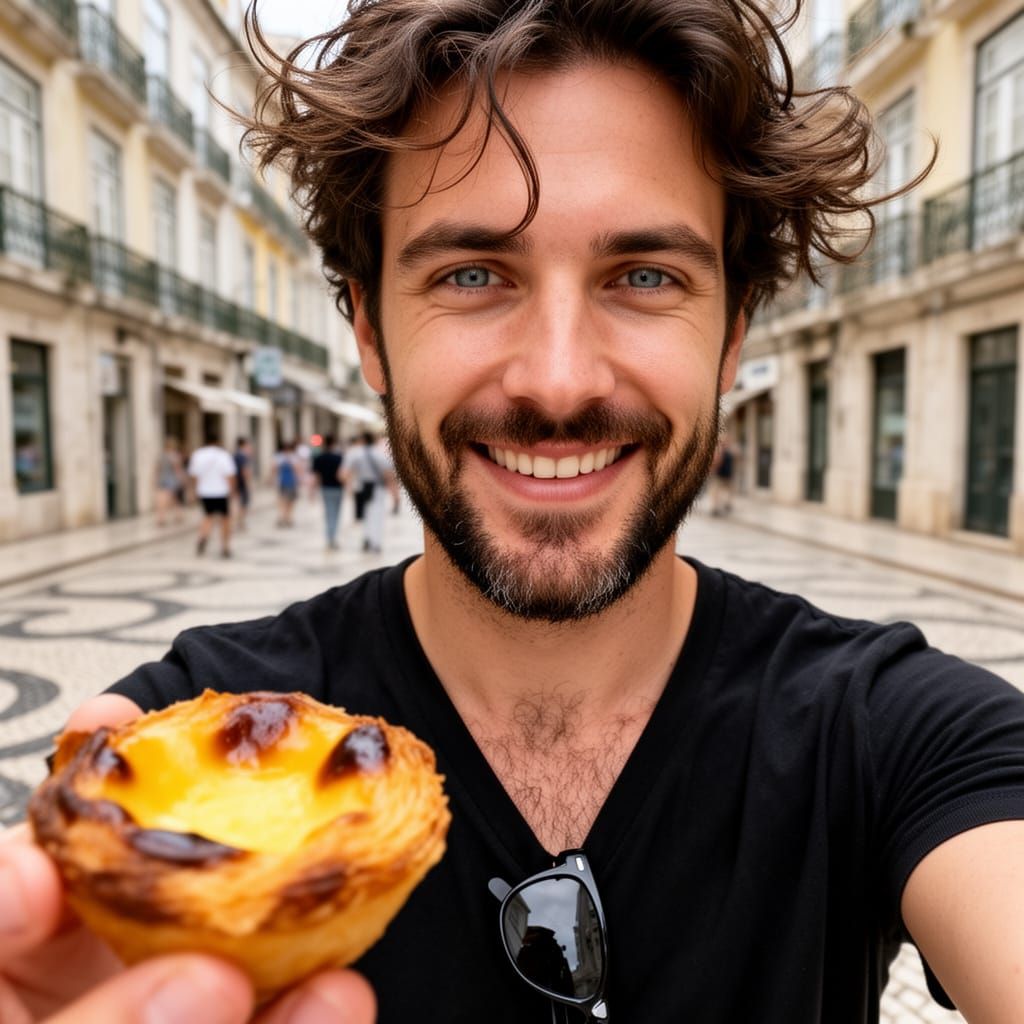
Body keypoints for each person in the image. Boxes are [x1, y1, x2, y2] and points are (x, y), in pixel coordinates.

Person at [7, 2, 1024, 1023]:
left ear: (730, 337)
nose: (557, 379)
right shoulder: (184, 760)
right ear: (368, 329)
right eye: (472, 274)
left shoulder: (903, 735)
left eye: (642, 275)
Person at [186, 428, 236, 558]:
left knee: (207, 516)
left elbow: (194, 475)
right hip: (221, 491)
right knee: (225, 519)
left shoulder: (198, 454)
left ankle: (202, 537)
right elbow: (230, 475)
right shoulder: (223, 455)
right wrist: (232, 491)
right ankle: (225, 546)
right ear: (218, 441)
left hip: (205, 491)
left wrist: (194, 491)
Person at [344, 432, 396, 553]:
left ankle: (367, 539)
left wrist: (349, 487)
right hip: (377, 488)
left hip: (360, 487)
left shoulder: (354, 453)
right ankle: (376, 542)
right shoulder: (379, 454)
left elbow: (344, 473)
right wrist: (394, 493)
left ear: (362, 440)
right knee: (377, 515)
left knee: (364, 514)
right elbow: (389, 474)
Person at [310, 433, 346, 550]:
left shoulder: (319, 458)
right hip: (337, 488)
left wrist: (312, 491)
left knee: (328, 513)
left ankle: (329, 538)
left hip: (325, 488)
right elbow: (342, 474)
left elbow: (316, 476)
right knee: (336, 514)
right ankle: (333, 538)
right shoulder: (339, 457)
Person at [154, 436, 186, 526]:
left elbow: (157, 469)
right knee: (171, 498)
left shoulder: (161, 456)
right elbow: (177, 469)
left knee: (164, 498)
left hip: (162, 478)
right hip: (172, 479)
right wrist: (182, 478)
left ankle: (164, 517)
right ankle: (167, 517)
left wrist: (155, 479)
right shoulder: (174, 456)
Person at [272, 440, 299, 527]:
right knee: (283, 500)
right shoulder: (279, 457)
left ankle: (288, 517)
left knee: (290, 501)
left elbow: (297, 470)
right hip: (282, 482)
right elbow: (274, 469)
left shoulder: (293, 457)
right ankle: (283, 517)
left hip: (291, 481)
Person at [710, 436, 736, 516]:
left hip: (728, 475)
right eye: (725, 442)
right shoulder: (720, 452)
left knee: (728, 491)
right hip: (720, 475)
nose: (726, 443)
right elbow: (715, 463)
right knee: (716, 492)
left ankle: (726, 505)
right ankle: (715, 508)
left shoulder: (730, 452)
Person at [233, 437, 253, 531]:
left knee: (239, 503)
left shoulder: (235, 455)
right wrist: (248, 483)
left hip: (236, 483)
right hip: (242, 484)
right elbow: (245, 471)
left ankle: (239, 522)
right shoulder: (242, 456)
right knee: (243, 504)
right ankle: (240, 523)